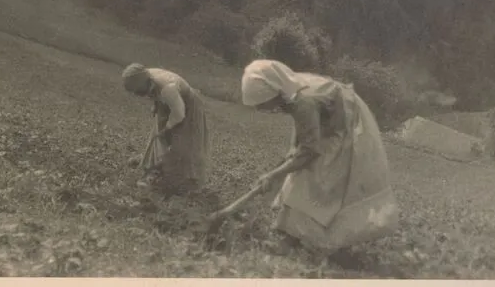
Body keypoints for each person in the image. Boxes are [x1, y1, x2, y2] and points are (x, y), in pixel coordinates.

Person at [240, 59, 399, 256]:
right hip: (326, 117)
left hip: (343, 123)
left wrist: (273, 175)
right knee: (300, 172)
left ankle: (319, 240)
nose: (259, 109)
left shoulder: (302, 100)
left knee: (322, 178)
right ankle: (291, 235)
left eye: (261, 104)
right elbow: (304, 135)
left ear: (273, 94)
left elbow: (309, 151)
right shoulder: (289, 87)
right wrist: (287, 161)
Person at [121, 63, 211, 195]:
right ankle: (155, 169)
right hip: (169, 102)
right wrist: (156, 107)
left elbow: (179, 114)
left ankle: (188, 182)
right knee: (159, 138)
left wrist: (167, 127)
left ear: (146, 83)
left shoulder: (167, 88)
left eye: (138, 91)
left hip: (188, 107)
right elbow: (155, 94)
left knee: (184, 143)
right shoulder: (146, 75)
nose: (138, 94)